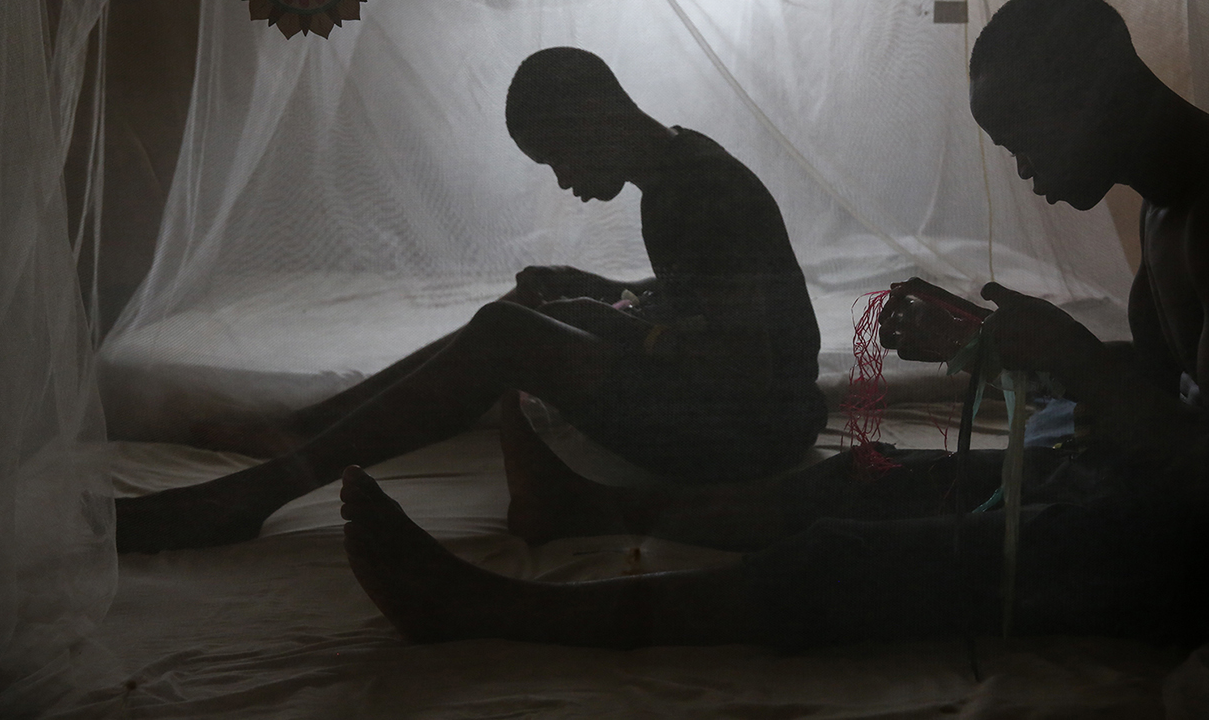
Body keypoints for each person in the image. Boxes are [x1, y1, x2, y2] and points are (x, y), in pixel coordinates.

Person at [339, 0, 1209, 650]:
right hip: (1132, 484)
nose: (1024, 172)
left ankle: (506, 613)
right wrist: (1022, 349)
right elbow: (1186, 389)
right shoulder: (1179, 204)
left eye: (1021, 138)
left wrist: (1078, 368)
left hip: (1189, 560)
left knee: (851, 564)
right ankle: (597, 516)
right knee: (867, 481)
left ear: (1087, 94)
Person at [116, 47, 826, 552]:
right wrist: (599, 291)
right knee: (523, 318)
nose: (564, 182)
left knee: (505, 334)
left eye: (559, 157)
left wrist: (603, 324)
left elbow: (744, 362)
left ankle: (263, 487)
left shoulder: (697, 190)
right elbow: (698, 302)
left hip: (750, 432)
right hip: (744, 411)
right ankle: (301, 432)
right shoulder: (679, 167)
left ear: (597, 116)